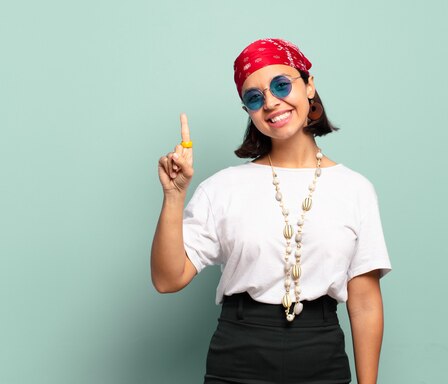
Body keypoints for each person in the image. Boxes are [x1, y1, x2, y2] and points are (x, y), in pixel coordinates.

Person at [151, 38, 391, 384]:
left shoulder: (355, 189)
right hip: (238, 354)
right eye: (254, 97)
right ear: (248, 111)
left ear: (309, 86)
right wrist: (174, 196)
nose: (271, 103)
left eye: (281, 85)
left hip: (322, 351)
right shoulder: (223, 187)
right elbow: (167, 279)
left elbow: (365, 302)